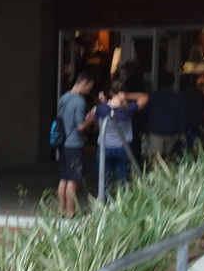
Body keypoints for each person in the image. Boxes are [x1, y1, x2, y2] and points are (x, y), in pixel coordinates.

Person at [55, 72, 98, 217]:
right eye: (89, 87)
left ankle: (61, 209)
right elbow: (80, 126)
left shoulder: (64, 98)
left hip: (62, 142)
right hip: (74, 143)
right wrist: (90, 120)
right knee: (73, 180)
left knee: (64, 178)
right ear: (83, 83)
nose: (89, 91)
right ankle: (70, 212)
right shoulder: (79, 101)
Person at [94, 83, 148, 193]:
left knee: (105, 182)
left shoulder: (101, 108)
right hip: (123, 149)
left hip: (105, 148)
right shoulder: (128, 109)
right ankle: (121, 207)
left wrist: (104, 101)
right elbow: (145, 97)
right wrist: (125, 96)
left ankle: (105, 206)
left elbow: (95, 126)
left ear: (110, 93)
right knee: (123, 182)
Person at [146, 72, 184, 161]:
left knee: (156, 158)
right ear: (172, 83)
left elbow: (146, 112)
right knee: (168, 158)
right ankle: (166, 173)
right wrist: (181, 130)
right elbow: (181, 115)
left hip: (155, 130)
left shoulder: (154, 96)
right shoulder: (177, 97)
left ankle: (157, 174)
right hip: (171, 130)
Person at [178, 73, 204, 150]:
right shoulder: (199, 94)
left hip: (183, 122)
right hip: (196, 121)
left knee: (183, 144)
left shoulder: (181, 94)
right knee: (195, 144)